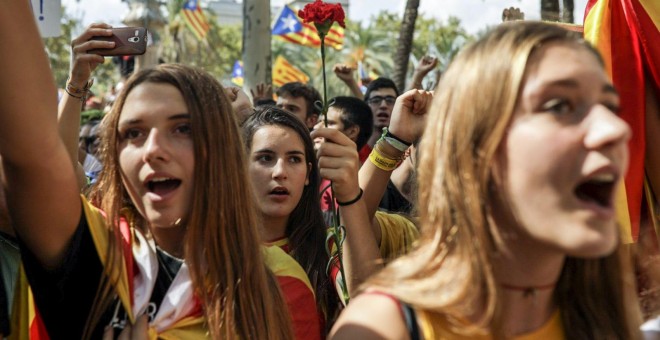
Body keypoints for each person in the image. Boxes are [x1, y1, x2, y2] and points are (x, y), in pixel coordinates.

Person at [331, 21, 641, 339]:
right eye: (559, 106)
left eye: (610, 107)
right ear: (475, 150)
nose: (615, 130)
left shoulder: (611, 317)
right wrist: (394, 140)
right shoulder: (385, 327)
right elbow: (356, 217)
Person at [0, 6, 293, 339]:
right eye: (133, 133)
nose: (153, 149)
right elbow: (30, 151)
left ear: (222, 148)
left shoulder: (268, 290)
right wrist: (75, 83)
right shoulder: (88, 248)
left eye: (183, 129)